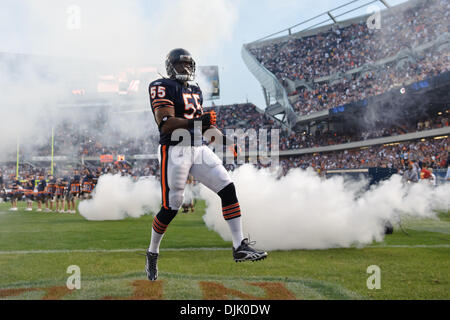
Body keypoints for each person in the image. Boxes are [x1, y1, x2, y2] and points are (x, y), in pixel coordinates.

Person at [145, 48, 267, 281]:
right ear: (171, 66)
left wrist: (224, 141)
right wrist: (198, 121)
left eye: (189, 65)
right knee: (172, 206)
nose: (187, 69)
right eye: (181, 64)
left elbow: (202, 126)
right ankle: (152, 253)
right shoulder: (161, 85)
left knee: (227, 187)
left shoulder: (195, 90)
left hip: (197, 147)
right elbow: (166, 123)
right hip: (174, 149)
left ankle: (239, 246)